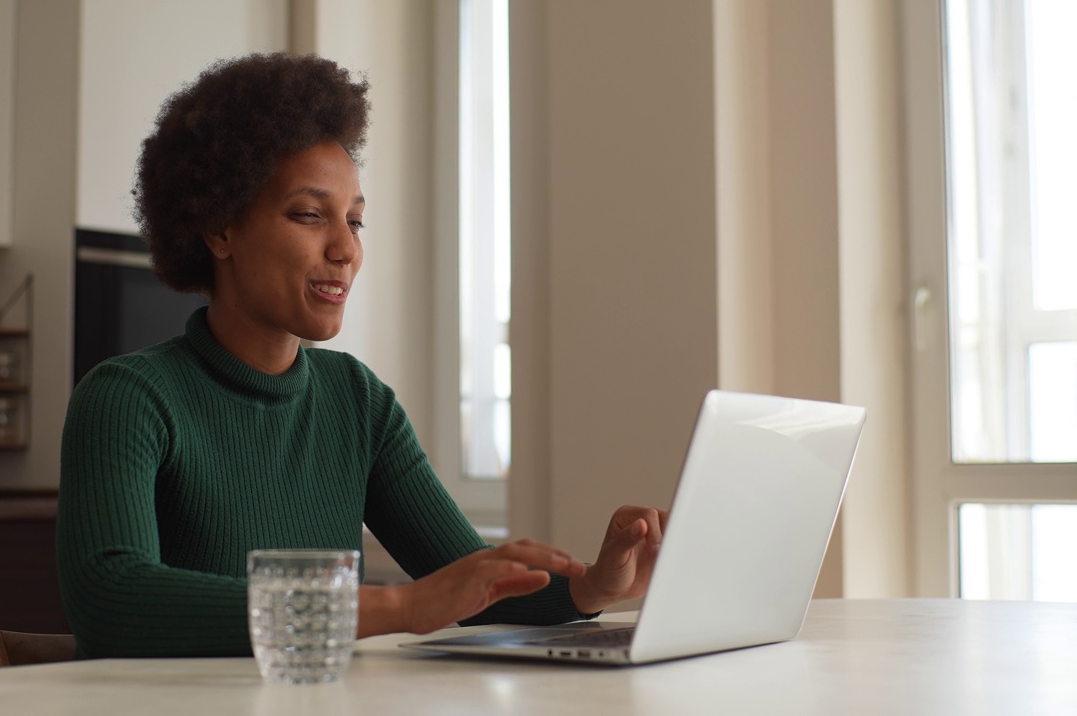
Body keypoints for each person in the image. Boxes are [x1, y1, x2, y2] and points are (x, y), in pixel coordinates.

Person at [56, 52, 667, 658]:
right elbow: (111, 598)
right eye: (308, 215)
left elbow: (476, 585)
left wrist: (594, 587)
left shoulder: (358, 399)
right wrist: (398, 606)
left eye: (355, 220)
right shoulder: (128, 397)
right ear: (221, 230)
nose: (345, 248)